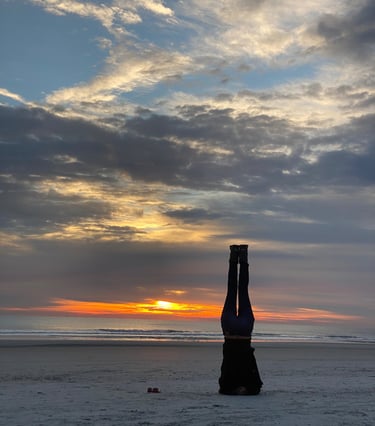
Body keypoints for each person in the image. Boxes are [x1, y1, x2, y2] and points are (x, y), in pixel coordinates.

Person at [218, 244, 263, 395]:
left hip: (244, 331)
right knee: (233, 289)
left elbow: (256, 385)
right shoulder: (227, 382)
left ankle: (242, 254)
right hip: (231, 331)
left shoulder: (250, 378)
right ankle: (235, 255)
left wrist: (244, 389)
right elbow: (223, 386)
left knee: (241, 290)